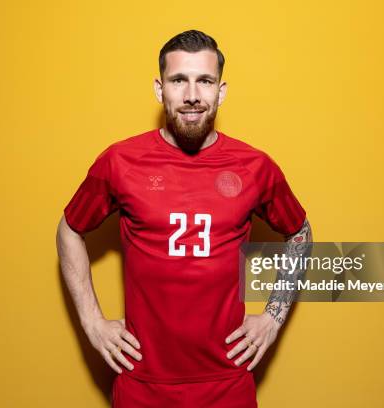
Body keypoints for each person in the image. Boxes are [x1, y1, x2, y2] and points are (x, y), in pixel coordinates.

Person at [56, 29, 312, 408]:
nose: (192, 95)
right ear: (160, 90)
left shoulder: (255, 166)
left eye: (204, 81)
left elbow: (299, 232)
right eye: (179, 80)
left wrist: (272, 317)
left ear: (221, 91)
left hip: (227, 381)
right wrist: (92, 321)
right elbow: (70, 228)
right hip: (143, 382)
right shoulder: (120, 161)